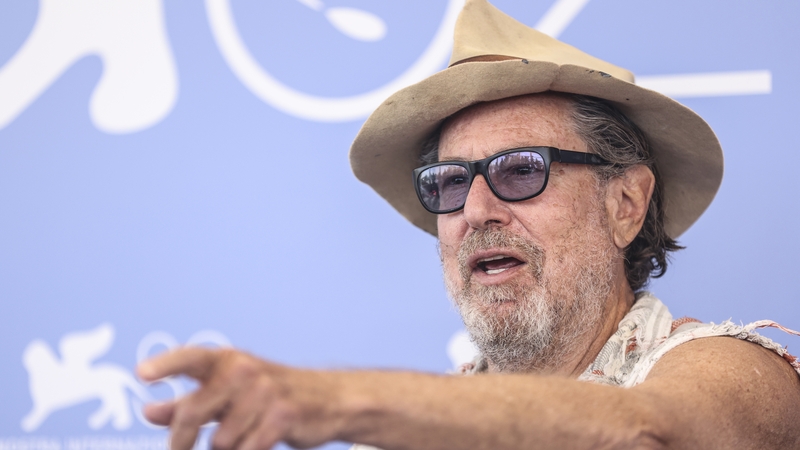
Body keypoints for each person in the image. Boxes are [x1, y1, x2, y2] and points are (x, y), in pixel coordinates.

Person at [136, 1, 800, 449]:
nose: (476, 211)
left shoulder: (735, 368)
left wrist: (333, 401)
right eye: (450, 183)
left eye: (521, 170)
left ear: (625, 203)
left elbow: (644, 430)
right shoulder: (439, 423)